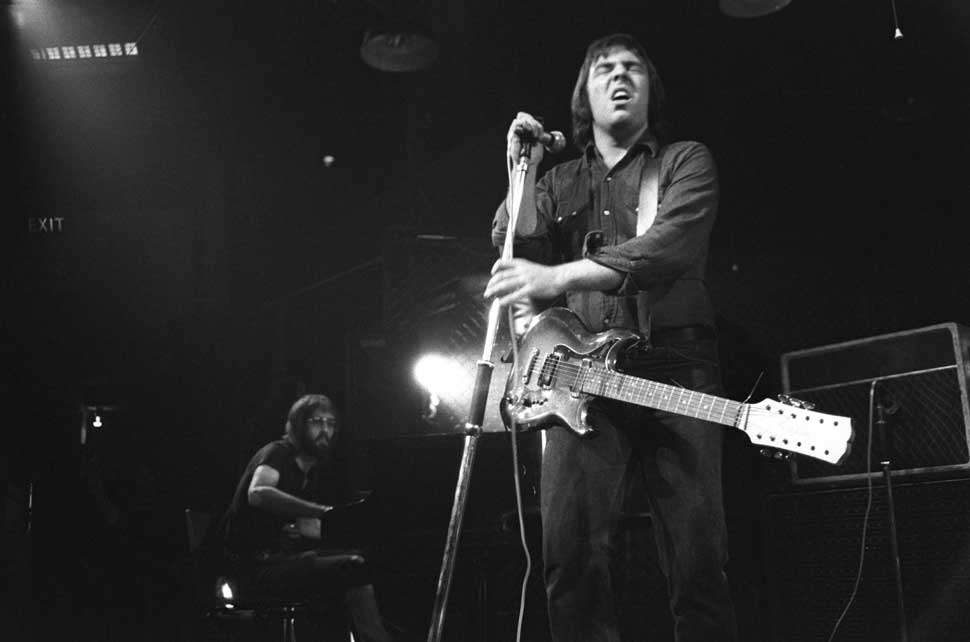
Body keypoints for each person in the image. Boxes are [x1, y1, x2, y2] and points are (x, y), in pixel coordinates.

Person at [485, 33, 738, 642]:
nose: (620, 77)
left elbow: (664, 250)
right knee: (569, 564)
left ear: (651, 89)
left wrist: (558, 276)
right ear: (584, 96)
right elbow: (515, 244)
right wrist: (522, 170)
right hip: (580, 378)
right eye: (604, 69)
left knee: (698, 566)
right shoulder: (558, 181)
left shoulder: (684, 161)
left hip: (676, 366)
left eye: (633, 69)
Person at [222, 394, 394, 642]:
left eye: (331, 423)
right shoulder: (278, 454)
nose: (325, 430)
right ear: (299, 425)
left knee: (363, 561)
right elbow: (258, 493)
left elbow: (308, 530)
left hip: (279, 561)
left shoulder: (310, 473)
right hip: (250, 570)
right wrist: (320, 511)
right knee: (351, 567)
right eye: (317, 422)